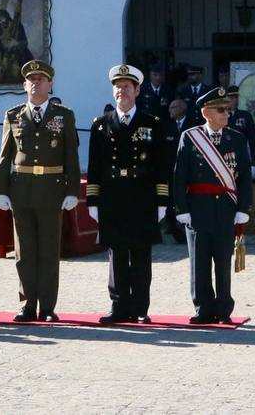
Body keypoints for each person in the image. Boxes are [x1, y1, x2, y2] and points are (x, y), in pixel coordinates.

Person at [0, 59, 78, 322]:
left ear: (50, 84)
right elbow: (5, 156)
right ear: (24, 85)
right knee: (24, 252)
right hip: (22, 191)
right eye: (31, 80)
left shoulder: (64, 115)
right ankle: (28, 303)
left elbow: (71, 156)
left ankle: (48, 307)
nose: (35, 83)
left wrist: (72, 190)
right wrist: (2, 191)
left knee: (49, 251)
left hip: (51, 190)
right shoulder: (13, 115)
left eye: (41, 79)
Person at [86, 64, 170, 323]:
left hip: (142, 195)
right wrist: (93, 200)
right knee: (117, 255)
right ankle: (119, 306)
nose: (121, 91)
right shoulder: (101, 125)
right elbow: (95, 166)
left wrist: (162, 200)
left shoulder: (151, 123)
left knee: (141, 255)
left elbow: (161, 165)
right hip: (113, 196)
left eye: (126, 87)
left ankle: (141, 308)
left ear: (137, 90)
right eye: (117, 87)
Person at [173, 87, 253, 324]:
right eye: (221, 110)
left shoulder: (236, 138)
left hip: (226, 208)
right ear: (206, 112)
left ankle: (224, 307)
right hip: (198, 208)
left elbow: (243, 179)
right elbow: (180, 176)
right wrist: (182, 209)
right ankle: (203, 308)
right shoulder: (190, 137)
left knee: (223, 259)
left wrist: (243, 208)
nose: (227, 114)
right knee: (199, 260)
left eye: (227, 109)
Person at [159, 99, 189, 242]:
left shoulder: (192, 124)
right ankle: (174, 229)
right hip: (170, 171)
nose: (170, 110)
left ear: (182, 108)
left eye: (173, 107)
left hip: (188, 172)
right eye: (169, 107)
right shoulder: (166, 126)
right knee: (170, 200)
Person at [223, 88, 255, 170]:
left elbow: (253, 141)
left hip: (241, 157)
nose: (235, 100)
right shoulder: (221, 115)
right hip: (223, 158)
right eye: (231, 98)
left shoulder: (245, 116)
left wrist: (254, 163)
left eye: (236, 98)